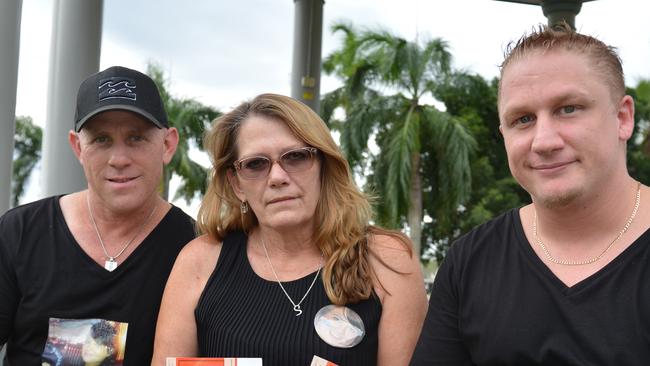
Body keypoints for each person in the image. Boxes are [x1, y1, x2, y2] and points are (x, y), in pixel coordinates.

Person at [409, 23, 650, 365]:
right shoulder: (471, 261)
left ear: (623, 118)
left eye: (568, 108)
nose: (544, 141)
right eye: (523, 119)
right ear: (503, 133)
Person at [151, 93, 428, 366]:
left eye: (295, 157)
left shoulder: (387, 260)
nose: (277, 177)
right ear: (237, 185)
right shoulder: (200, 261)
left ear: (324, 166)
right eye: (255, 164)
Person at [0, 66, 196, 365]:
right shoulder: (20, 232)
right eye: (102, 139)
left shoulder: (195, 248)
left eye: (136, 138)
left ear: (167, 145)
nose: (119, 159)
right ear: (78, 147)